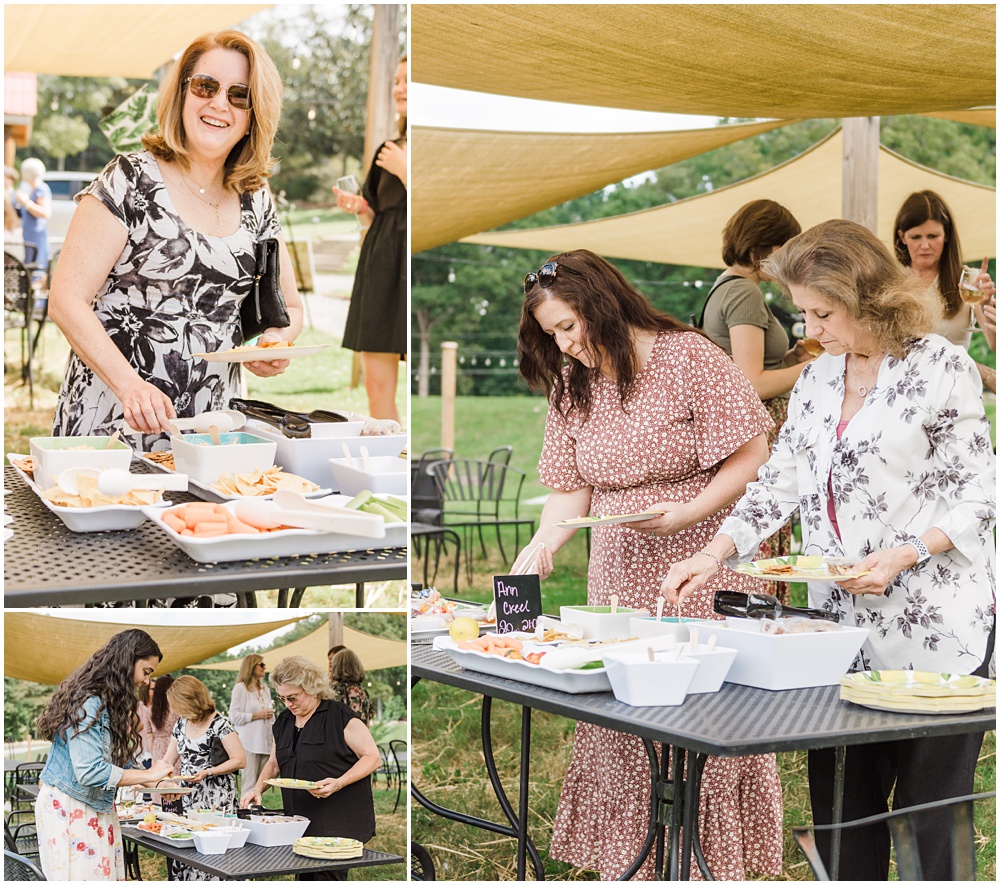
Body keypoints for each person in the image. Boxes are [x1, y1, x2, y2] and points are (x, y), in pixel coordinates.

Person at [663, 219, 995, 881]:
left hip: (936, 629)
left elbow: (981, 495)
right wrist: (714, 550)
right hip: (836, 631)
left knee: (932, 823)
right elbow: (780, 479)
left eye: (823, 312)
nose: (811, 328)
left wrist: (903, 553)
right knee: (843, 817)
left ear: (869, 297)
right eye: (803, 312)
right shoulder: (815, 380)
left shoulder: (941, 367)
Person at [511, 250, 782, 880]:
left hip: (702, 555)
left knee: (696, 711)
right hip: (619, 568)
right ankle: (632, 865)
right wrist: (546, 540)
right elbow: (570, 485)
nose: (566, 343)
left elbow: (752, 455)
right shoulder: (572, 383)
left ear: (603, 303)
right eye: (552, 333)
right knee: (625, 715)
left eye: (570, 326)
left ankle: (706, 865)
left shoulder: (689, 357)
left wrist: (690, 513)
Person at [48, 30, 304, 450]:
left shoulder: (257, 197)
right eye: (206, 86)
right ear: (183, 92)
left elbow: (289, 307)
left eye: (240, 95)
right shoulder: (129, 178)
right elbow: (66, 299)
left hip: (209, 435)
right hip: (112, 424)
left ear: (254, 115)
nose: (220, 103)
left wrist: (276, 342)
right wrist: (132, 388)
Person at [701, 199, 814, 597]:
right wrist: (816, 367)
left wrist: (790, 358)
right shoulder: (744, 293)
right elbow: (751, 383)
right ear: (761, 248)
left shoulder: (723, 287)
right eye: (784, 249)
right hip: (759, 430)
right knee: (766, 532)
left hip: (744, 427)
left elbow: (742, 368)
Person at [33, 629, 174, 880]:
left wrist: (158, 782)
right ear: (127, 662)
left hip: (95, 805)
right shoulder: (88, 701)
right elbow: (89, 771)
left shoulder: (110, 702)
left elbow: (118, 760)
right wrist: (151, 772)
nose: (146, 680)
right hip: (71, 807)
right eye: (146, 671)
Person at [240, 656, 381, 880]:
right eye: (283, 698)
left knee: (327, 875)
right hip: (299, 818)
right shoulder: (284, 721)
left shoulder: (339, 716)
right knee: (305, 874)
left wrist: (338, 782)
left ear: (312, 688)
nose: (288, 704)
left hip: (338, 818)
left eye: (293, 697)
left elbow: (372, 757)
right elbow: (275, 763)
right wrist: (257, 788)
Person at [332, 55, 407, 423]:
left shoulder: (431, 152)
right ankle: (393, 467)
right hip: (380, 267)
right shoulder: (387, 151)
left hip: (413, 266)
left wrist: (409, 172)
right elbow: (377, 212)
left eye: (409, 81)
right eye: (396, 80)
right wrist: (358, 206)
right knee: (376, 387)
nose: (399, 88)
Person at [893, 189, 996, 392]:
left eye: (933, 236)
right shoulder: (892, 282)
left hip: (955, 391)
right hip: (904, 392)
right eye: (916, 237)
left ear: (947, 235)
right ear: (902, 237)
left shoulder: (970, 280)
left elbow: (995, 345)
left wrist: (987, 308)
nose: (925, 245)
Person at [161, 676, 245, 881]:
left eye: (179, 706)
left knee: (214, 847)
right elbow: (168, 760)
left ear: (192, 700)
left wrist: (209, 771)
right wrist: (165, 778)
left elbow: (240, 760)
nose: (176, 711)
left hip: (217, 797)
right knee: (191, 844)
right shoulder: (181, 724)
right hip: (190, 797)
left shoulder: (220, 723)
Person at [229, 654, 275, 792]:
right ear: (251, 666)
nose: (264, 667)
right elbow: (234, 716)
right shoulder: (241, 688)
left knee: (262, 786)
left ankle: (256, 811)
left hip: (266, 742)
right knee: (249, 785)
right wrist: (257, 715)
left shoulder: (266, 689)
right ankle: (246, 812)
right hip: (249, 743)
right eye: (261, 665)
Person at [14, 158, 51, 278]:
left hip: (37, 236)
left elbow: (45, 213)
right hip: (28, 235)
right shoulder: (31, 189)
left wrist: (26, 203)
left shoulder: (41, 189)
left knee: (37, 271)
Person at [329, 648, 373, 726]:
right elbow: (370, 716)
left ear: (337, 667)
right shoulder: (362, 690)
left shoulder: (336, 689)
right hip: (362, 736)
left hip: (343, 736)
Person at [148, 673, 178, 764]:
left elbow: (149, 735)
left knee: (161, 776)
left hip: (157, 748)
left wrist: (152, 754)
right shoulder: (177, 708)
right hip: (176, 748)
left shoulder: (150, 710)